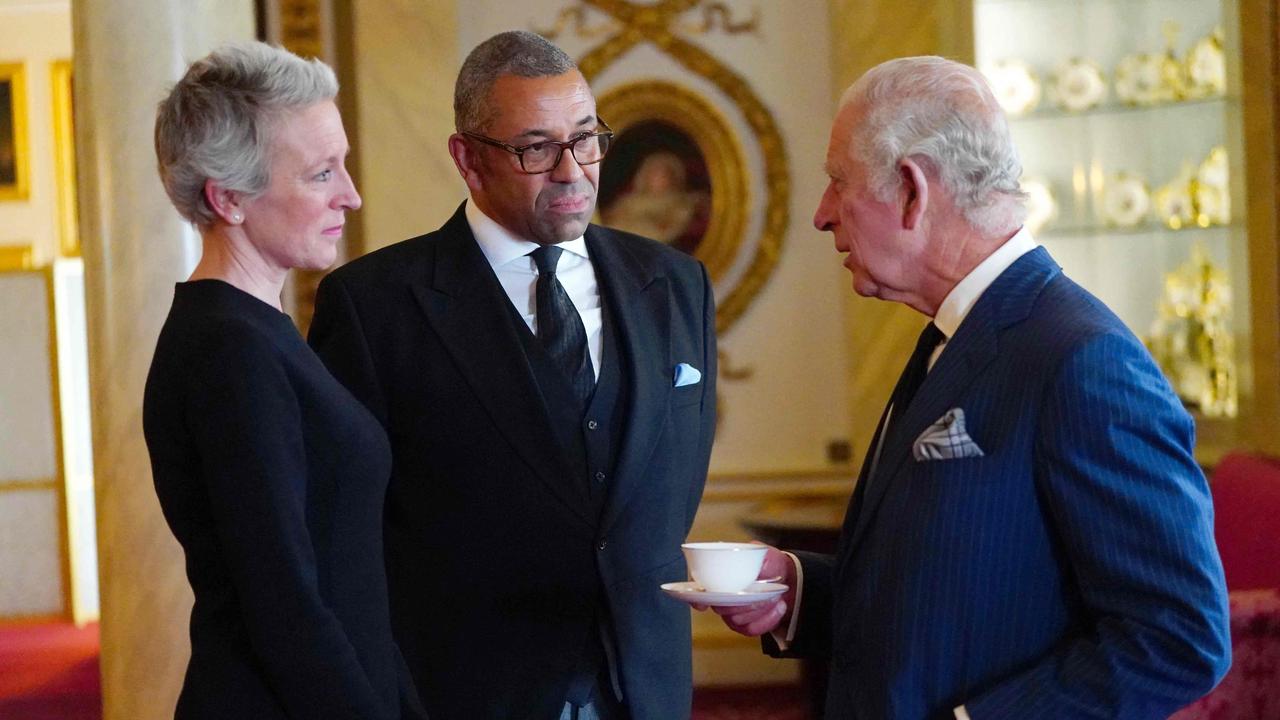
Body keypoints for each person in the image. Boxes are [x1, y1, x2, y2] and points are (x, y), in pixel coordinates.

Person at [710, 56, 1231, 719]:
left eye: (838, 182)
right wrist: (798, 592)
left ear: (911, 189)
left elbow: (1178, 638)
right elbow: (949, 595)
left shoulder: (1084, 360)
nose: (821, 215)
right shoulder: (956, 334)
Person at [308, 30, 717, 720]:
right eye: (536, 148)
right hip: (465, 691)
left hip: (644, 686)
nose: (573, 171)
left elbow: (674, 479)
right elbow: (343, 534)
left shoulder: (676, 284)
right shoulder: (373, 305)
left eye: (585, 138)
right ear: (468, 160)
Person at [144, 42, 424, 720]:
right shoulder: (228, 351)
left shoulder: (253, 334)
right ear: (229, 199)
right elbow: (285, 603)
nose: (351, 196)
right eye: (321, 173)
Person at [602, 151, 706, 245]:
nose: (657, 179)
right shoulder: (630, 200)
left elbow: (666, 233)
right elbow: (608, 220)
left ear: (673, 178)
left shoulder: (680, 205)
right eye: (654, 174)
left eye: (663, 175)